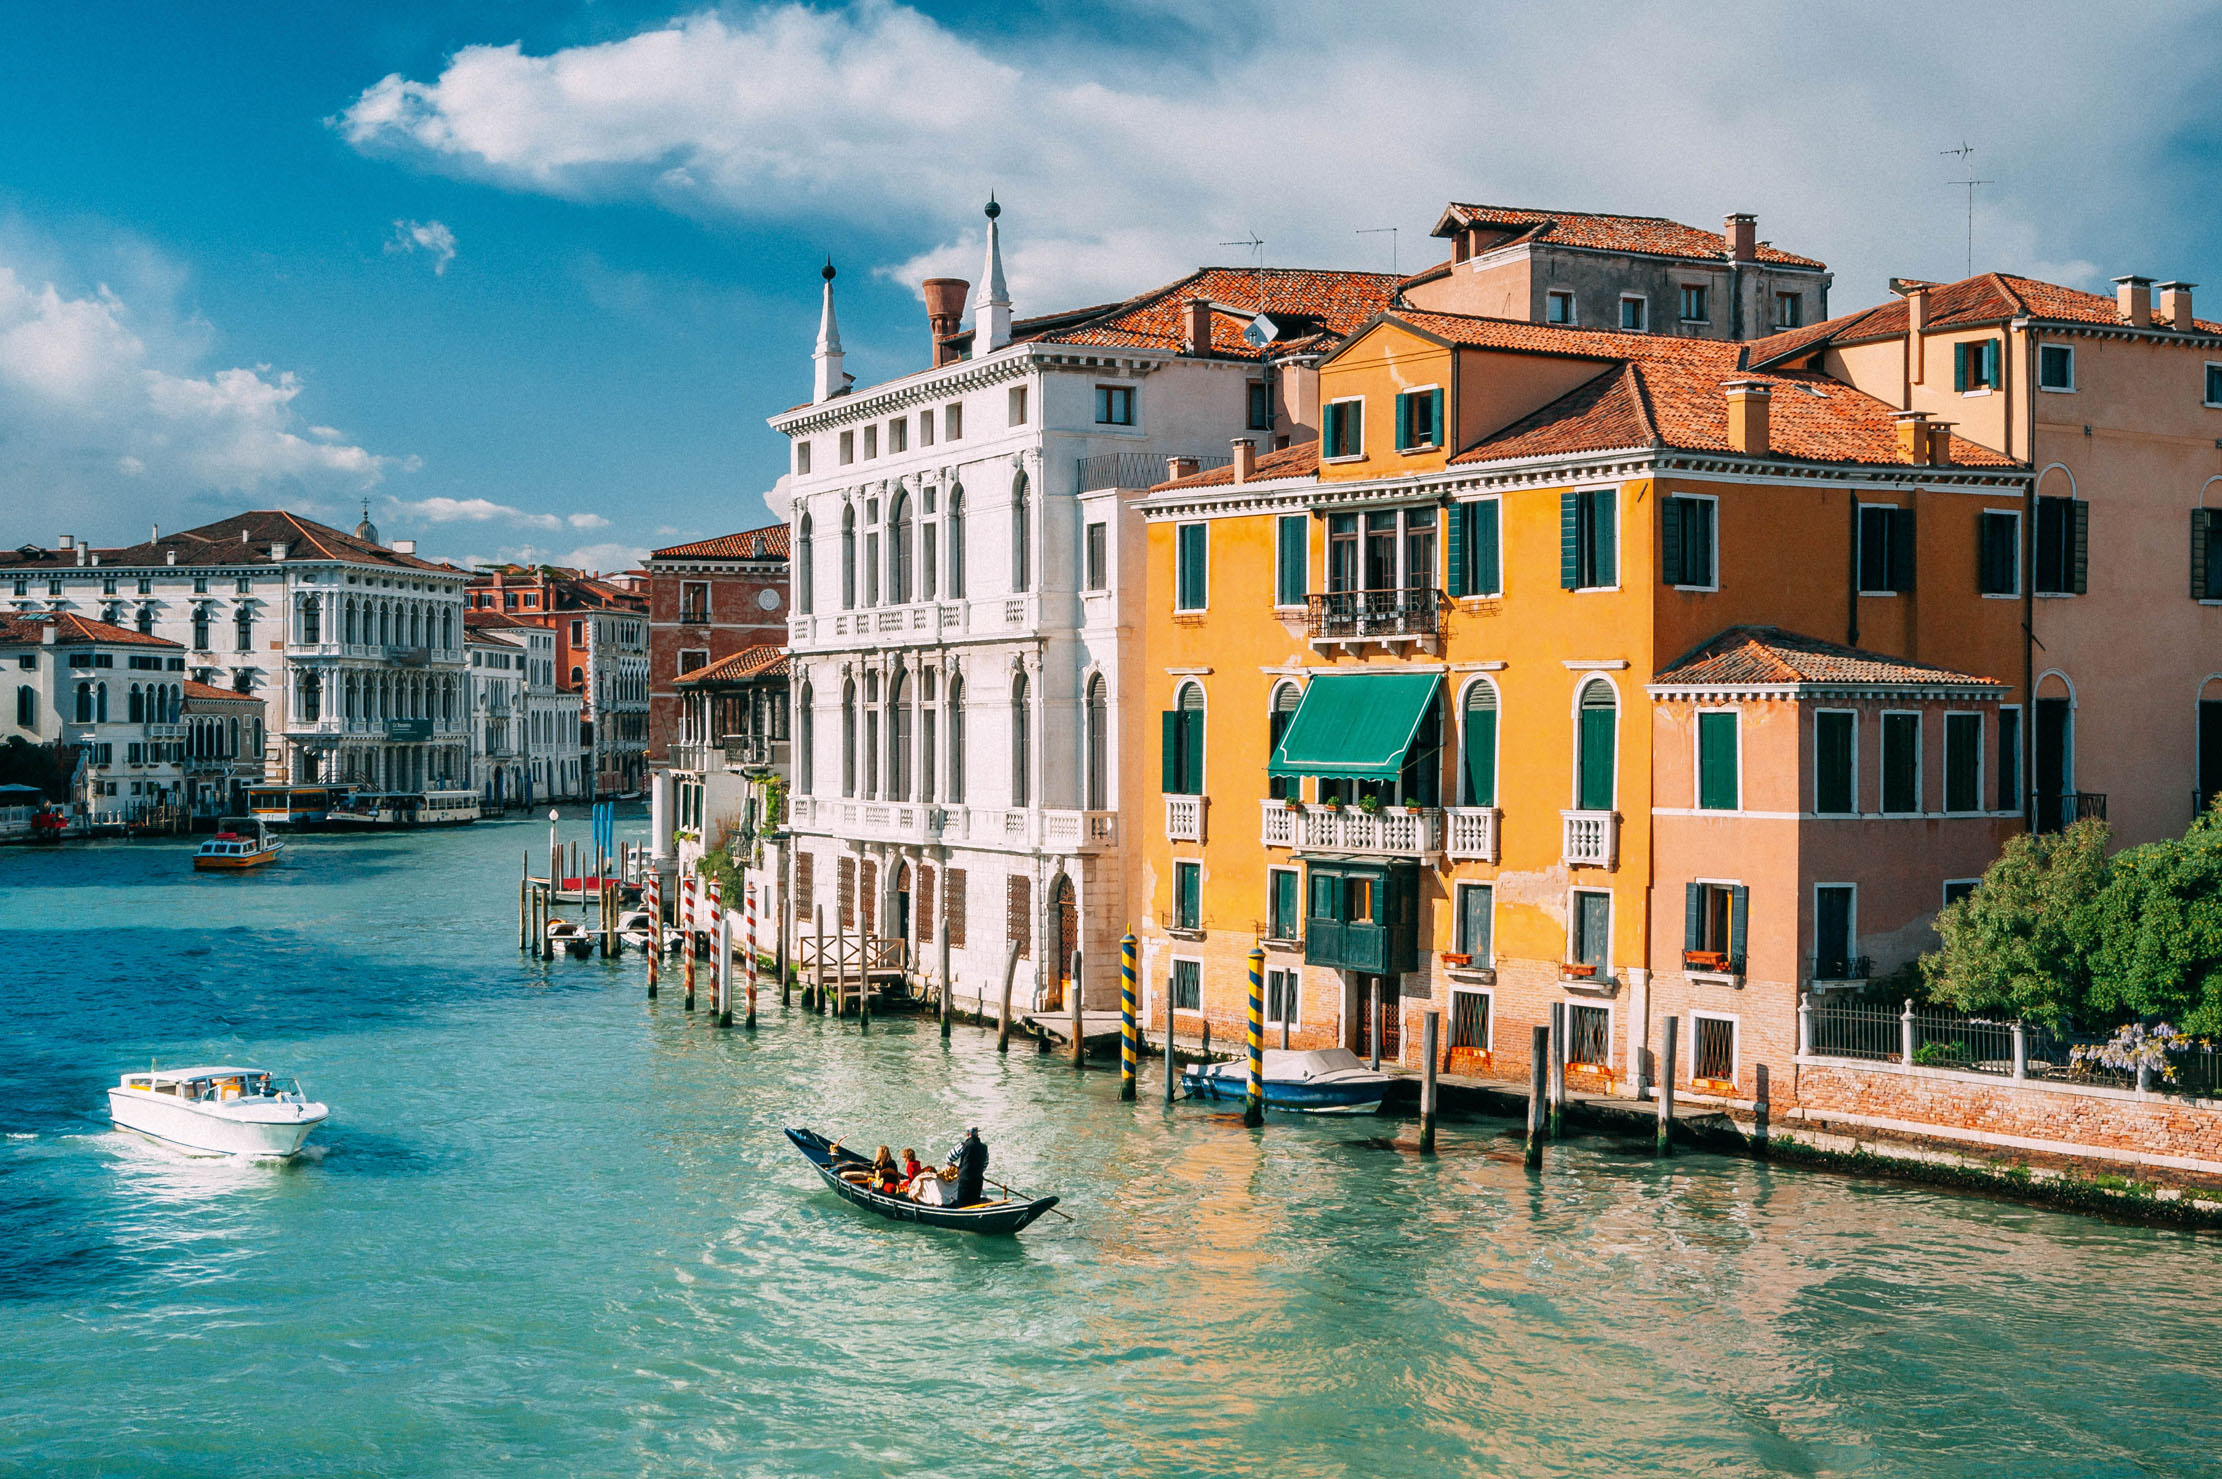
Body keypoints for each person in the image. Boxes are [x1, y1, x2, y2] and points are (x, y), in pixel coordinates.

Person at [948, 1128, 988, 1207]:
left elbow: (949, 1157)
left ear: (968, 1134)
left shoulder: (963, 1145)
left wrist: (953, 1166)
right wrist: (977, 1172)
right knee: (974, 1204)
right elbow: (985, 1164)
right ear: (977, 1134)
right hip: (978, 1180)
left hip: (965, 1180)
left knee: (963, 1204)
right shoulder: (984, 1147)